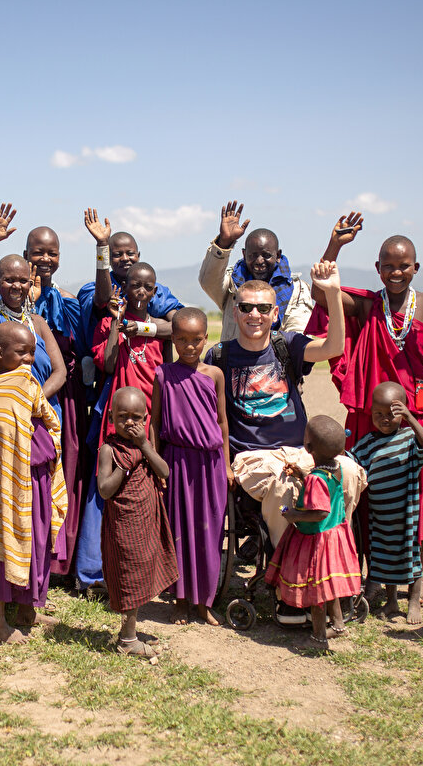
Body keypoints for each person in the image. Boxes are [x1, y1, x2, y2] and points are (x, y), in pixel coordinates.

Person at [309, 214, 423, 609]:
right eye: (388, 265)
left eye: (404, 265)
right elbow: (323, 294)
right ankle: (369, 581)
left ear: (416, 268)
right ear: (378, 268)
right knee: (366, 501)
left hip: (419, 421)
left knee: (417, 503)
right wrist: (334, 246)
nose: (396, 272)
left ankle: (412, 582)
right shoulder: (369, 305)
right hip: (371, 420)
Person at [206, 260, 344, 624]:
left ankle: (330, 577)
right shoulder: (220, 357)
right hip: (252, 457)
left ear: (275, 312)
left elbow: (333, 347)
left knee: (347, 471)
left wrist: (331, 293)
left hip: (300, 450)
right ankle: (291, 590)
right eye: (246, 307)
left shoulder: (289, 346)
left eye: (263, 308)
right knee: (285, 488)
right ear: (235, 311)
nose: (254, 314)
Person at [0, 204, 65, 565]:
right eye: (8, 279)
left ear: (31, 279)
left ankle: (33, 579)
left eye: (22, 279)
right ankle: (0, 579)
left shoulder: (38, 322)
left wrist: (32, 399)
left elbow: (60, 372)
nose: (16, 285)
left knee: (34, 500)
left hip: (35, 423)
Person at [74, 261, 168, 589]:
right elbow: (109, 361)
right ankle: (91, 573)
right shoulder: (110, 323)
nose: (140, 292)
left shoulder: (158, 329)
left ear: (155, 292)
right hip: (117, 421)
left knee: (144, 489)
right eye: (134, 286)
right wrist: (116, 323)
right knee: (104, 489)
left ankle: (144, 569)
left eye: (147, 287)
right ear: (124, 289)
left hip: (148, 422)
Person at [0, 322, 68, 644]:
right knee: (4, 543)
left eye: (33, 352)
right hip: (8, 482)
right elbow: (5, 428)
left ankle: (28, 609)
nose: (30, 359)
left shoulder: (29, 382)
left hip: (39, 474)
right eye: (22, 352)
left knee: (37, 540)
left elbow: (44, 415)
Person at [151, 307, 230, 626]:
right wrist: (157, 466)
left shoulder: (214, 375)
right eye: (181, 340)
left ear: (205, 339)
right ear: (172, 339)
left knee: (209, 534)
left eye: (196, 340)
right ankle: (181, 601)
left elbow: (222, 423)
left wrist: (226, 465)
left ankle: (204, 603)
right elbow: (154, 423)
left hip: (210, 466)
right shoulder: (163, 374)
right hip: (177, 462)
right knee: (179, 532)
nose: (189, 347)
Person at [23, 226, 88, 576]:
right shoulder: (10, 298)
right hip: (18, 399)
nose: (45, 259)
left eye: (52, 252)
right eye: (38, 252)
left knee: (61, 471)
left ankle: (57, 558)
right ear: (25, 253)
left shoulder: (68, 301)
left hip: (63, 398)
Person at [264, 415, 362, 649]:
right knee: (330, 585)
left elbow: (319, 512)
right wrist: (302, 476)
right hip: (335, 536)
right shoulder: (335, 469)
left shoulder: (317, 479)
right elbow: (323, 486)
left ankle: (319, 637)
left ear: (307, 447)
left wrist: (293, 515)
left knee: (317, 592)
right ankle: (337, 625)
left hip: (318, 540)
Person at [96, 386, 178, 660]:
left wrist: (144, 446)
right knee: (128, 577)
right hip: (123, 524)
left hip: (145, 521)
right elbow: (105, 490)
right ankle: (128, 639)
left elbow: (164, 470)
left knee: (141, 572)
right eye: (122, 417)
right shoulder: (109, 450)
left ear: (145, 419)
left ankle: (129, 633)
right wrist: (125, 467)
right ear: (110, 417)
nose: (129, 423)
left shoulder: (144, 444)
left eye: (136, 417)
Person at [346, 382, 423, 623]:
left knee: (410, 559)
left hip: (406, 516)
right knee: (384, 558)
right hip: (379, 516)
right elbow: (351, 461)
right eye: (378, 414)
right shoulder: (367, 443)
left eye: (391, 414)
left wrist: (410, 418)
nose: (385, 419)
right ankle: (391, 601)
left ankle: (413, 601)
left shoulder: (408, 438)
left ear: (402, 412)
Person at [77, 209, 183, 361]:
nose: (125, 258)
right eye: (117, 254)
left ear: (138, 256)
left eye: (130, 253)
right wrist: (102, 245)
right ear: (108, 257)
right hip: (110, 364)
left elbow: (180, 326)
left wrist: (142, 328)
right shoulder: (93, 289)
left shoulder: (154, 290)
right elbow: (103, 299)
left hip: (149, 364)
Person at [199, 200, 314, 340]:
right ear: (244, 254)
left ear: (277, 255)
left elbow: (299, 335)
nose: (259, 261)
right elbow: (208, 281)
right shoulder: (233, 284)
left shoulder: (296, 289)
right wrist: (224, 242)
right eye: (253, 255)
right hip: (232, 361)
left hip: (276, 361)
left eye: (266, 255)